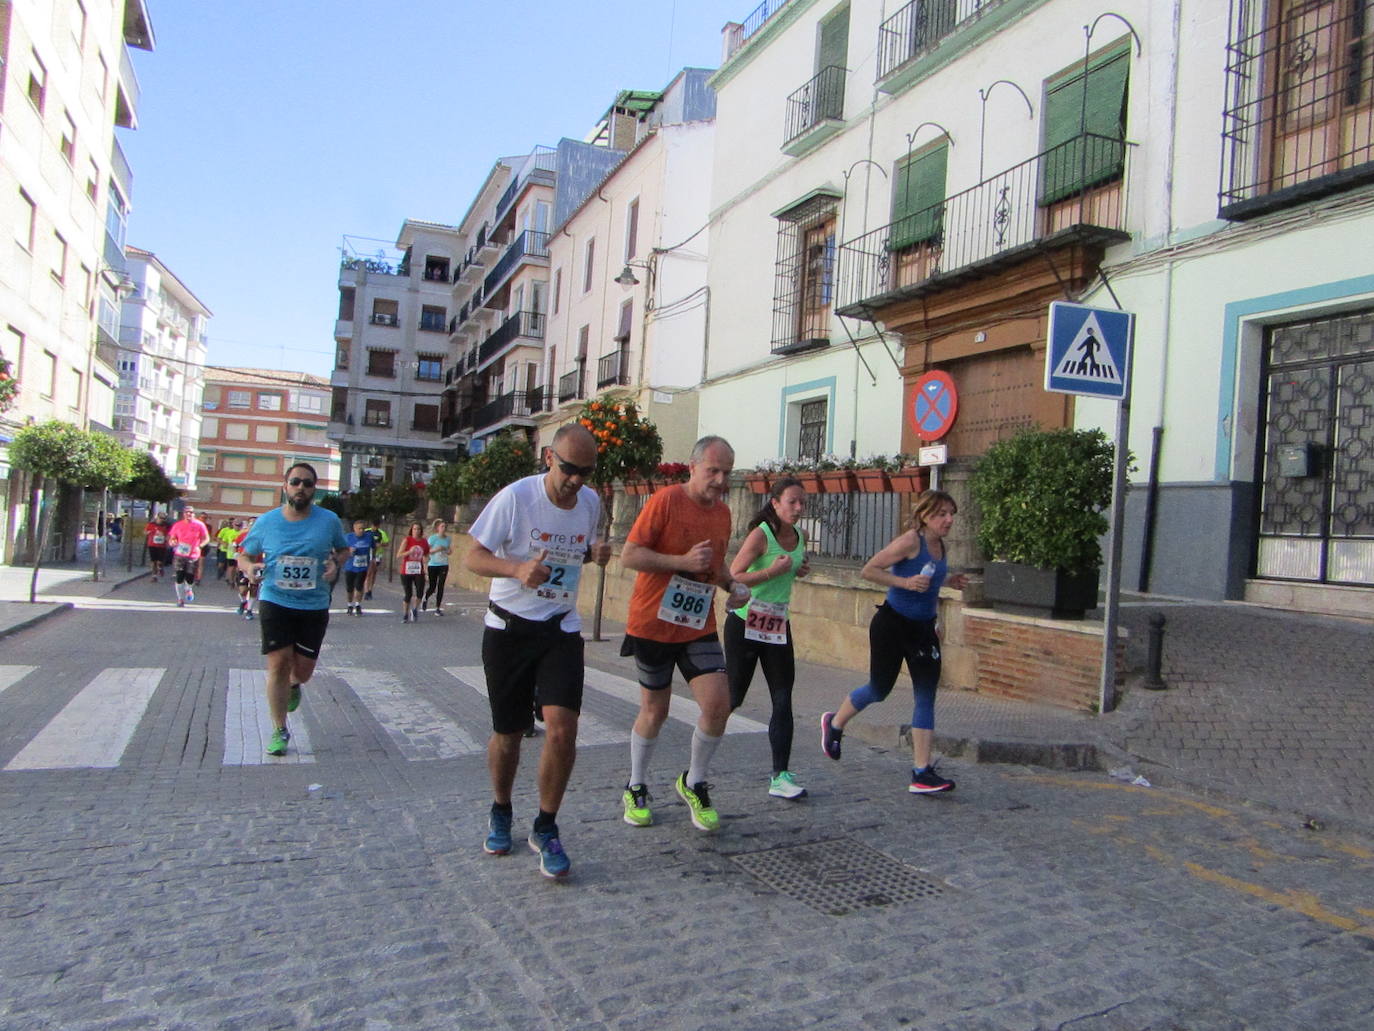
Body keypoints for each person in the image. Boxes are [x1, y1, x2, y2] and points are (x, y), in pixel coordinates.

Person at [463, 423, 611, 878]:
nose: (576, 480)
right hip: (508, 628)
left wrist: (596, 553)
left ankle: (546, 827)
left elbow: (577, 552)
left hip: (559, 628)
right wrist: (516, 569)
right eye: (569, 469)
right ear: (549, 458)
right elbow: (473, 555)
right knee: (508, 734)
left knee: (563, 729)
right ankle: (501, 809)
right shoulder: (516, 498)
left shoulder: (590, 503)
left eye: (586, 472)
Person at [618, 435, 751, 833]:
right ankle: (636, 785)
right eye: (713, 471)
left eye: (726, 472)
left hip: (697, 626)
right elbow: (629, 555)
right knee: (654, 711)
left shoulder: (723, 513)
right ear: (692, 467)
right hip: (653, 623)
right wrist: (680, 560)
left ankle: (694, 782)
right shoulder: (665, 501)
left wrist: (732, 584)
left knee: (718, 705)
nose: (720, 480)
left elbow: (716, 563)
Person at [820, 489, 970, 794]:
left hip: (923, 629)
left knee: (926, 695)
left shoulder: (941, 545)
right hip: (892, 625)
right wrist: (905, 582)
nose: (949, 520)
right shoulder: (910, 541)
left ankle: (921, 772)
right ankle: (834, 723)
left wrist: (948, 580)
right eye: (942, 514)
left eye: (951, 514)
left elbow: (928, 577)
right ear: (925, 515)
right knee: (879, 689)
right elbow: (869, 570)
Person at [237, 463, 349, 757]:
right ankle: (279, 729)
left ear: (314, 489)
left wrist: (335, 563)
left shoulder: (329, 521)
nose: (301, 487)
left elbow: (344, 550)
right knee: (278, 663)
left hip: (314, 603)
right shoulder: (267, 521)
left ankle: (295, 684)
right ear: (285, 486)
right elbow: (244, 555)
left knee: (303, 671)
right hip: (275, 600)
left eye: (308, 484)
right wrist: (250, 568)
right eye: (296, 482)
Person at [725, 477, 811, 801]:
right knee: (733, 697)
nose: (798, 508)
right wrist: (772, 572)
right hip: (745, 623)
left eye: (802, 503)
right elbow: (734, 575)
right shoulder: (761, 534)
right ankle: (698, 755)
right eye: (792, 502)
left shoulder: (800, 535)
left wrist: (797, 569)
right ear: (775, 503)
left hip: (776, 625)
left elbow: (792, 566)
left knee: (783, 698)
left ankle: (780, 775)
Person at [167, 506, 210, 606]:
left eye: (191, 512)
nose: (189, 514)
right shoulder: (178, 525)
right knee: (179, 576)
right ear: (184, 514)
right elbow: (172, 538)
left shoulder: (200, 525)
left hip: (193, 554)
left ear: (194, 514)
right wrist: (172, 542)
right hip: (180, 553)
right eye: (187, 512)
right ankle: (180, 599)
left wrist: (200, 546)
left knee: (190, 576)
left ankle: (189, 588)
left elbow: (206, 538)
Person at [342, 519, 377, 616]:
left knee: (359, 586)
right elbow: (341, 549)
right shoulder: (348, 537)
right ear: (354, 529)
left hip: (362, 566)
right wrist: (349, 550)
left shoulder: (369, 537)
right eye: (359, 528)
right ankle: (349, 605)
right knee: (349, 588)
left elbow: (374, 547)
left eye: (363, 529)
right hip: (350, 566)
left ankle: (358, 605)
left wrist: (373, 558)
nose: (361, 530)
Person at [398, 522, 429, 623]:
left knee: (420, 592)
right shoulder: (407, 540)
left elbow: (426, 554)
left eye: (418, 529)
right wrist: (409, 552)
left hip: (418, 570)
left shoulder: (424, 541)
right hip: (406, 570)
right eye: (414, 529)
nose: (416, 531)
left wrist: (426, 561)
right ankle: (405, 615)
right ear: (411, 530)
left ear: (421, 531)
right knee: (408, 594)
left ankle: (415, 609)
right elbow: (399, 555)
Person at [422, 518, 451, 615]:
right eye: (442, 526)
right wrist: (437, 549)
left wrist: (448, 550)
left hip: (444, 564)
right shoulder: (433, 538)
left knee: (441, 586)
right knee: (432, 586)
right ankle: (425, 597)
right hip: (433, 564)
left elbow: (449, 550)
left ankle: (438, 608)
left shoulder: (448, 539)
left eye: (445, 527)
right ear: (438, 528)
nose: (444, 528)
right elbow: (427, 551)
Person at [363, 519, 388, 599]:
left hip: (377, 555)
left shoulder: (381, 533)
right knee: (368, 573)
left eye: (376, 526)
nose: (374, 528)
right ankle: (366, 591)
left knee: (373, 573)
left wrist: (380, 544)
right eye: (373, 526)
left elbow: (386, 543)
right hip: (368, 554)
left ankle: (370, 589)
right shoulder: (366, 531)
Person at [145, 513, 171, 582]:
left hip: (162, 546)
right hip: (152, 545)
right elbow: (145, 532)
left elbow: (169, 536)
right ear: (157, 517)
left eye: (164, 519)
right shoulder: (151, 524)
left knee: (160, 562)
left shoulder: (167, 526)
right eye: (160, 518)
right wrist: (151, 532)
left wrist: (164, 536)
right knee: (153, 561)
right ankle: (154, 576)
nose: (162, 520)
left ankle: (160, 568)